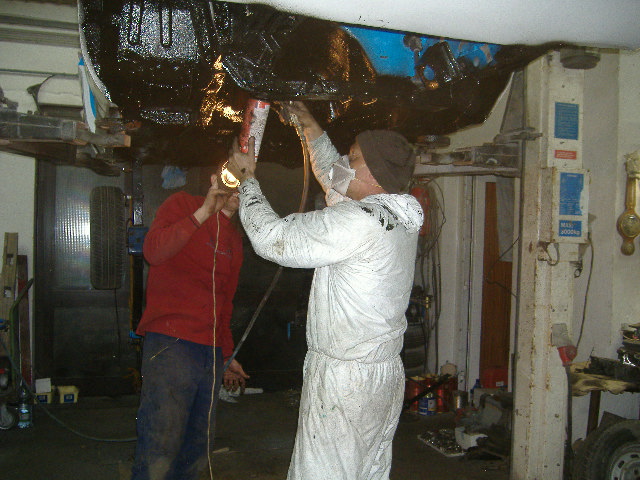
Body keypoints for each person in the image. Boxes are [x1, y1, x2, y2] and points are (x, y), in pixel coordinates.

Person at [227, 101, 424, 480]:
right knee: (366, 472)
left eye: (354, 158)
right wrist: (309, 126)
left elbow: (273, 238)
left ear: (375, 173)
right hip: (382, 374)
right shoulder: (394, 215)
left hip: (345, 379)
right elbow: (334, 175)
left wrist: (247, 179)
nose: (345, 165)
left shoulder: (357, 222)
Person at [131, 171, 249, 480]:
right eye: (235, 179)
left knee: (198, 444)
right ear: (215, 178)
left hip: (210, 351)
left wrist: (227, 354)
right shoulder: (181, 204)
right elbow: (153, 251)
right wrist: (205, 211)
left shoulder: (234, 239)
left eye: (247, 184)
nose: (238, 189)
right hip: (171, 343)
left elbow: (225, 303)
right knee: (161, 440)